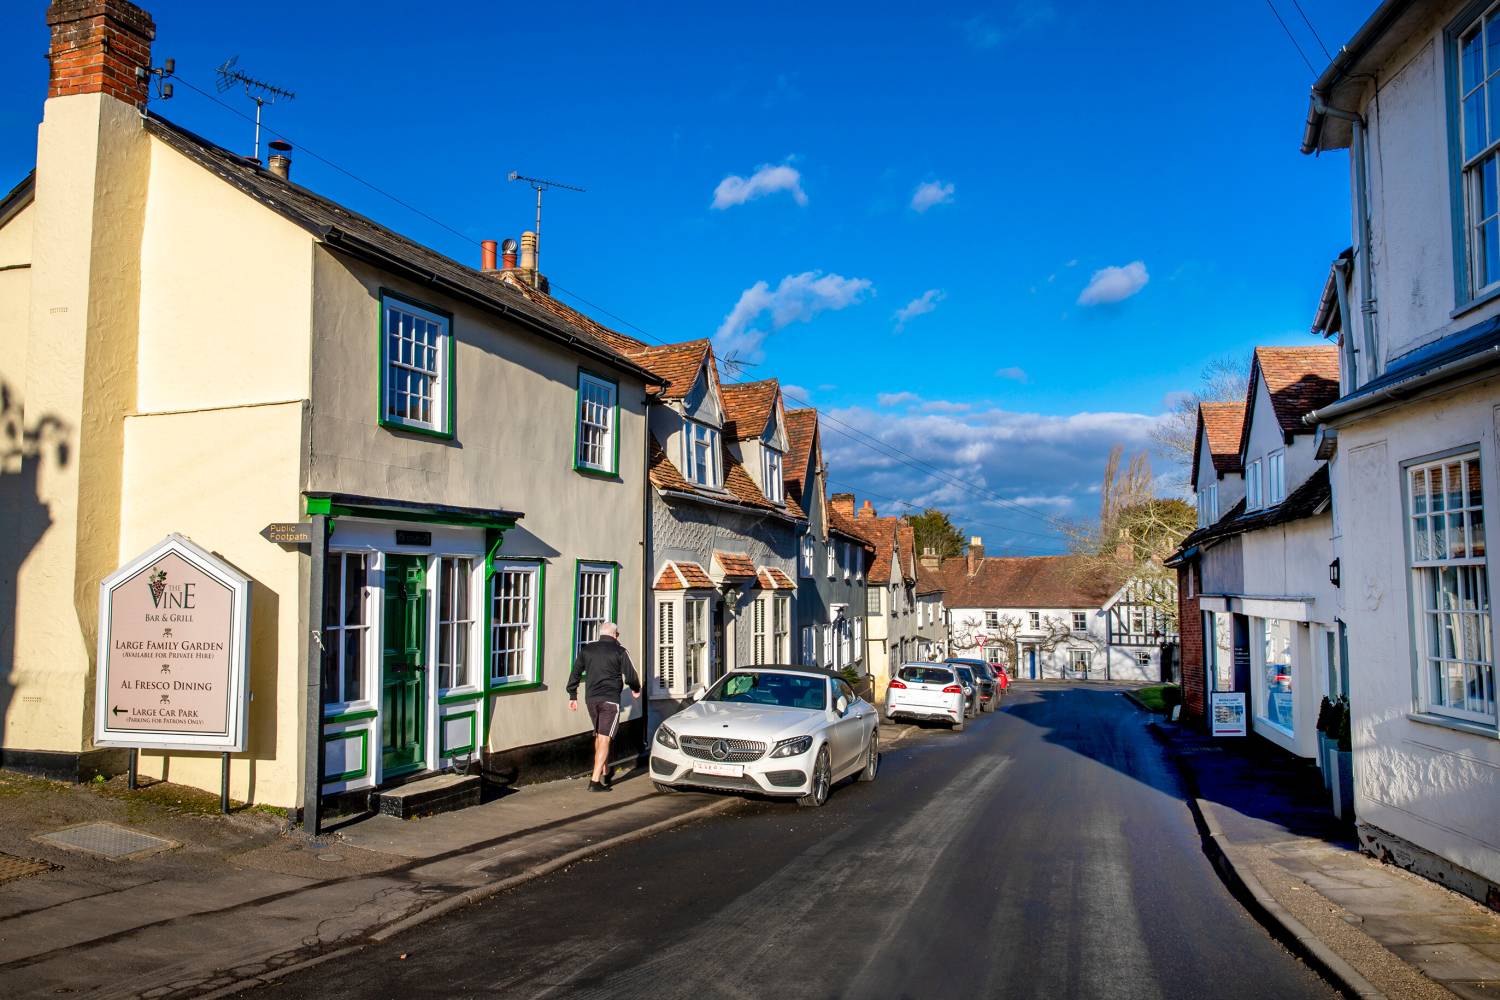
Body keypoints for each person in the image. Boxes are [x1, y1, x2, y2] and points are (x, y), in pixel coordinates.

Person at [567, 622, 641, 792]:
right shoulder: (620, 651)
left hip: (591, 700)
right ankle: (594, 781)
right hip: (610, 700)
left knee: (600, 736)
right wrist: (635, 689)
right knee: (605, 738)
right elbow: (631, 675)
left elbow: (575, 672)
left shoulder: (587, 650)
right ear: (615, 635)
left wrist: (572, 694)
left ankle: (604, 767)